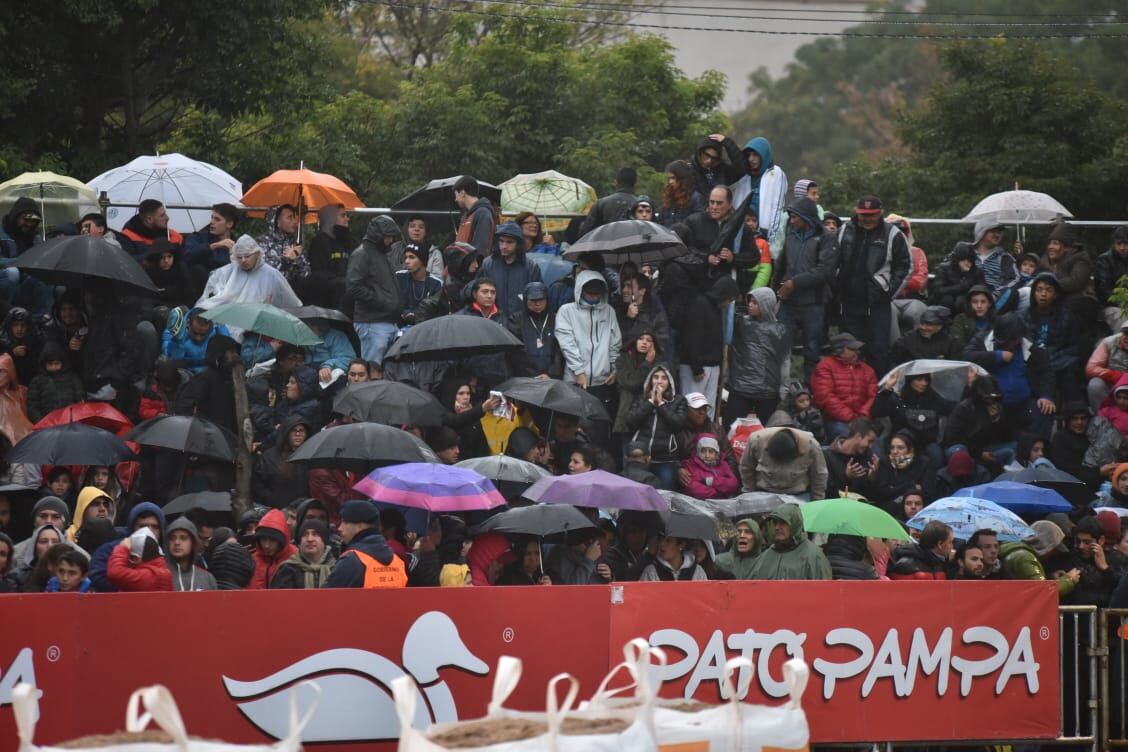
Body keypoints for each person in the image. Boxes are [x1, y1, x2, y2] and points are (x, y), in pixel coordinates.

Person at [835, 195, 911, 373]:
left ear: (880, 213)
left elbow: (906, 266)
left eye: (872, 215)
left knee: (878, 351)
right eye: (863, 215)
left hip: (877, 304)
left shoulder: (893, 234)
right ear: (856, 213)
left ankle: (878, 395)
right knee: (849, 351)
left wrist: (888, 292)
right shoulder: (845, 229)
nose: (867, 219)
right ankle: (850, 395)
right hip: (848, 302)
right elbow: (833, 259)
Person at [774, 195, 837, 381]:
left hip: (813, 304)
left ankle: (810, 395)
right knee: (780, 349)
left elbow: (824, 271)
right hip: (788, 303)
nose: (791, 220)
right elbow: (782, 263)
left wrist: (794, 283)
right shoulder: (791, 233)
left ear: (807, 217)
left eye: (795, 217)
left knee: (812, 352)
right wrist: (776, 287)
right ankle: (780, 394)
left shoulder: (827, 238)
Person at [195, 236, 302, 337]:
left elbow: (291, 301)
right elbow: (214, 281)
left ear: (256, 254)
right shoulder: (232, 269)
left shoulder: (271, 274)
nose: (243, 260)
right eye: (240, 257)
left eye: (247, 256)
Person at [555, 270, 621, 417]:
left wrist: (614, 369)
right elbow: (566, 343)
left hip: (603, 382)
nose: (594, 297)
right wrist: (578, 371)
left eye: (597, 294)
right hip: (575, 380)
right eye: (590, 293)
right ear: (580, 290)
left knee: (599, 426)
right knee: (575, 424)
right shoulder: (567, 311)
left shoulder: (609, 311)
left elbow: (615, 343)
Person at [725, 286, 790, 427]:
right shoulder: (741, 323)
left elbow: (785, 362)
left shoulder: (779, 331)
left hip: (767, 392)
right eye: (749, 301)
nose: (750, 305)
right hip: (741, 388)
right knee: (731, 429)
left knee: (767, 432)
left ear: (765, 305)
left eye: (755, 302)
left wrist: (784, 389)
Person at [872, 368, 956, 469]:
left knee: (937, 454)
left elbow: (953, 409)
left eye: (926, 380)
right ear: (910, 381)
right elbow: (879, 411)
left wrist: (970, 387)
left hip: (927, 442)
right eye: (919, 380)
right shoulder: (899, 398)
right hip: (903, 442)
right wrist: (887, 388)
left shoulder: (933, 397)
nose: (924, 383)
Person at [679, 276, 739, 414]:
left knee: (708, 410)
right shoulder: (698, 304)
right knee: (692, 408)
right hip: (697, 368)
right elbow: (691, 337)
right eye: (730, 299)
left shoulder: (715, 308)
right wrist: (696, 367)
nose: (729, 303)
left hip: (711, 366)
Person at [347, 217, 402, 363]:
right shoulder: (362, 254)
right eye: (387, 236)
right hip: (372, 323)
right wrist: (383, 301)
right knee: (372, 372)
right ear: (378, 235)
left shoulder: (381, 254)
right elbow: (353, 287)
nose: (390, 240)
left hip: (385, 321)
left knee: (380, 372)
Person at [739, 411, 827, 499]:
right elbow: (746, 467)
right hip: (764, 491)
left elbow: (819, 474)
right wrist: (749, 493)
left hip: (797, 492)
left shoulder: (811, 445)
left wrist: (817, 500)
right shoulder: (756, 441)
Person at [625, 365, 686, 489]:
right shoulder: (642, 398)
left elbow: (678, 424)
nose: (659, 381)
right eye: (656, 377)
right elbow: (630, 421)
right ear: (650, 380)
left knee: (664, 497)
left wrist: (661, 404)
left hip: (665, 459)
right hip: (640, 458)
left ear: (670, 382)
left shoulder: (679, 400)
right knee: (637, 494)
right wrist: (650, 402)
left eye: (664, 378)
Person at [811, 332, 877, 440]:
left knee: (875, 447)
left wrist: (862, 418)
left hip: (863, 421)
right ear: (839, 350)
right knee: (849, 439)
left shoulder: (867, 370)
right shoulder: (825, 366)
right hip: (836, 421)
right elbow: (825, 398)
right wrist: (851, 418)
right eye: (852, 349)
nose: (857, 352)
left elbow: (873, 396)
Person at [324, 500, 405, 588]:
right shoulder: (398, 561)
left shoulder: (351, 561)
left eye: (345, 522)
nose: (339, 528)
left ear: (360, 525)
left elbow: (324, 598)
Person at [731, 136, 789, 255]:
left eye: (755, 155)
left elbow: (777, 207)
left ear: (764, 155)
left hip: (765, 234)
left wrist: (770, 239)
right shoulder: (745, 176)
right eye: (748, 155)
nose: (751, 159)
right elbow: (736, 206)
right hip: (743, 233)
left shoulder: (776, 173)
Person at [173, 334, 240, 433]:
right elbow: (184, 406)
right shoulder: (206, 377)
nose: (234, 356)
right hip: (209, 435)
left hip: (227, 436)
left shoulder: (230, 378)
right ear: (220, 354)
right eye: (231, 352)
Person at [747, 503, 832, 580]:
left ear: (795, 524)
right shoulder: (765, 556)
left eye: (783, 523)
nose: (777, 527)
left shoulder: (814, 556)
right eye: (775, 523)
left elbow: (824, 592)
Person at [1039, 220, 1098, 328]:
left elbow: (1075, 282)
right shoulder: (1045, 261)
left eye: (1055, 243)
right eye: (1050, 243)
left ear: (1066, 247)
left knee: (1066, 307)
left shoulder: (1081, 258)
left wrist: (1051, 286)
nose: (1050, 247)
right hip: (1054, 297)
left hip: (1082, 299)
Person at [477, 222, 541, 319]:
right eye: (501, 241)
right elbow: (479, 294)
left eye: (509, 242)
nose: (504, 246)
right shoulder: (488, 264)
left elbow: (538, 296)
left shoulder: (530, 267)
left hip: (522, 322)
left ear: (518, 244)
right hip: (494, 321)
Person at [1000, 520, 1080, 596]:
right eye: (1054, 549)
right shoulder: (1025, 557)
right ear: (1046, 543)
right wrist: (1068, 580)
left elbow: (1029, 583)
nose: (1053, 554)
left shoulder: (1018, 551)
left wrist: (1049, 578)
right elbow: (1042, 592)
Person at [956, 220, 1019, 311]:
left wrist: (994, 295)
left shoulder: (1005, 257)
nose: (998, 235)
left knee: (1012, 292)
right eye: (993, 231)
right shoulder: (964, 252)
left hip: (993, 299)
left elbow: (1014, 279)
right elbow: (948, 269)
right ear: (981, 232)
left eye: (999, 232)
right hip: (968, 295)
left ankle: (989, 317)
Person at [507, 281, 559, 378]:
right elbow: (516, 352)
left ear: (547, 299)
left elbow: (560, 350)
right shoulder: (516, 319)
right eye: (533, 300)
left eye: (541, 299)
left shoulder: (556, 319)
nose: (538, 304)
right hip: (525, 377)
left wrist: (551, 374)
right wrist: (533, 375)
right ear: (526, 300)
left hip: (551, 378)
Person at [306, 203, 354, 306]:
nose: (347, 219)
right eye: (342, 215)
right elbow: (319, 275)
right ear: (330, 219)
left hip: (345, 295)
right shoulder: (319, 243)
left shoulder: (346, 241)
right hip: (327, 299)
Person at [874, 431, 936, 509]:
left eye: (900, 448)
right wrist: (910, 486)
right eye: (892, 447)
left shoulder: (924, 463)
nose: (895, 452)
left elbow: (927, 493)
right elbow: (883, 492)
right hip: (890, 507)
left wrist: (895, 489)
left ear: (910, 449)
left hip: (916, 507)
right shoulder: (885, 462)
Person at [26, 341, 85, 423]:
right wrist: (41, 421)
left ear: (62, 363)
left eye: (57, 363)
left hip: (70, 421)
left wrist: (78, 411)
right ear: (44, 364)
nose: (54, 367)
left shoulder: (72, 378)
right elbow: (32, 405)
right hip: (48, 423)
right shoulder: (37, 381)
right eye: (50, 364)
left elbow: (79, 395)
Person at [161, 307, 232, 374]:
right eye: (195, 333)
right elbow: (171, 361)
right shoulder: (174, 331)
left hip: (210, 376)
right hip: (184, 376)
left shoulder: (215, 330)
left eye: (203, 334)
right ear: (188, 323)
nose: (198, 338)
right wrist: (177, 341)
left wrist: (220, 326)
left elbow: (228, 352)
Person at [822, 417, 880, 500]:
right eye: (869, 441)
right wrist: (846, 477)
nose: (870, 446)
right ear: (858, 436)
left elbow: (870, 497)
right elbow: (827, 491)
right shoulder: (827, 457)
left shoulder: (868, 458)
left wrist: (872, 478)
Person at [270, 518, 336, 589]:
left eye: (315, 534)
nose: (309, 539)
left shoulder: (336, 569)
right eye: (305, 535)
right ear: (300, 542)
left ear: (324, 541)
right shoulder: (288, 569)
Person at [616, 273, 671, 355]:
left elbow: (662, 345)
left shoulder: (655, 314)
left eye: (629, 286)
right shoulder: (619, 311)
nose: (624, 290)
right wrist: (628, 319)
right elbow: (618, 342)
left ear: (642, 291)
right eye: (624, 286)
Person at [257, 204, 310, 287]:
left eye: (294, 217)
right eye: (289, 217)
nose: (294, 221)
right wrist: (287, 259)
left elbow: (306, 274)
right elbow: (267, 273)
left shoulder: (292, 243)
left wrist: (297, 257)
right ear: (277, 221)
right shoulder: (261, 242)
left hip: (292, 292)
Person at [889, 306, 963, 363]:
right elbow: (894, 362)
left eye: (928, 324)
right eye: (922, 323)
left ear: (940, 326)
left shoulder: (951, 343)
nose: (923, 327)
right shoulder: (907, 339)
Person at [106, 528, 172, 592]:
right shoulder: (158, 571)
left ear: (136, 559)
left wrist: (122, 548)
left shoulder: (156, 576)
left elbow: (115, 573)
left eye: (129, 556)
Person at [247, 508, 299, 589]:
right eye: (263, 539)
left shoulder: (295, 558)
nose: (266, 545)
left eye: (273, 540)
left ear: (281, 541)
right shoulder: (251, 560)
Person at [115, 199, 183, 260]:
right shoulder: (126, 237)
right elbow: (128, 263)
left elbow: (183, 263)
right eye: (162, 215)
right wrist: (154, 255)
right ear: (149, 219)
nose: (167, 218)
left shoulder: (175, 236)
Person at [395, 244, 443, 328]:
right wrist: (405, 313)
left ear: (422, 260)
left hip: (425, 328)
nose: (407, 261)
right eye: (406, 257)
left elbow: (437, 311)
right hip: (398, 326)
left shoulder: (436, 283)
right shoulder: (399, 276)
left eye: (411, 257)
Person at [580, 167, 637, 235]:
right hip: (633, 244)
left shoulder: (601, 203)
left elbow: (586, 231)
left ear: (615, 182)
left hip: (605, 244)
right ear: (636, 183)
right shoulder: (642, 206)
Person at [165, 518, 218, 591]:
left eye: (183, 538)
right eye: (172, 538)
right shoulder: (161, 576)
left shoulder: (207, 578)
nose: (176, 542)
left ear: (193, 542)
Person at [929, 244, 986, 313]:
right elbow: (938, 290)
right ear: (957, 259)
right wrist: (961, 287)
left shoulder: (977, 272)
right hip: (944, 305)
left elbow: (982, 291)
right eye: (964, 259)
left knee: (962, 300)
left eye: (970, 260)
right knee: (947, 299)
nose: (967, 263)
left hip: (967, 306)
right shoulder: (943, 269)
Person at [679, 434, 739, 499]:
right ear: (698, 451)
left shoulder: (723, 464)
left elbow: (733, 484)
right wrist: (720, 493)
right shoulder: (689, 464)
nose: (707, 455)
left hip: (721, 503)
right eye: (703, 451)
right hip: (699, 503)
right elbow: (692, 488)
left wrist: (712, 482)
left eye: (711, 452)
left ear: (716, 452)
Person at [184, 203, 240, 272]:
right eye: (212, 218)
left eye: (217, 219)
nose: (211, 222)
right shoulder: (198, 237)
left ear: (229, 224)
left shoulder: (238, 244)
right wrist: (213, 246)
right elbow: (188, 255)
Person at [1087, 321, 1128, 413]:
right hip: (1112, 383)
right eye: (1125, 333)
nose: (1127, 337)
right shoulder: (1108, 342)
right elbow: (1091, 368)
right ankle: (1102, 419)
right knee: (1095, 384)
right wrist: (1117, 376)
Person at [543, 529, 610, 584]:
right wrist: (589, 560)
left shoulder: (588, 558)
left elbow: (596, 586)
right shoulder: (560, 556)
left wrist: (608, 578)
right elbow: (574, 588)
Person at [453, 176, 497, 258]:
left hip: (474, 268)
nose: (455, 199)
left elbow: (481, 248)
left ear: (462, 193)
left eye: (456, 195)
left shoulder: (483, 213)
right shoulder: (466, 215)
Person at [690, 134, 744, 200]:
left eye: (713, 158)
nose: (709, 160)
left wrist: (728, 143)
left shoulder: (721, 170)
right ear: (700, 152)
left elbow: (741, 169)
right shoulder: (689, 171)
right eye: (707, 155)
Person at [1095, 226, 1128, 332]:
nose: (1122, 247)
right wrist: (1123, 302)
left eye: (1126, 243)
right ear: (1114, 244)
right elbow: (1103, 290)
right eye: (1119, 244)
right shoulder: (1104, 260)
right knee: (1123, 320)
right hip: (1111, 306)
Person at [656, 161, 704, 228]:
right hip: (668, 237)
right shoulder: (668, 196)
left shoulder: (695, 197)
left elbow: (698, 223)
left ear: (682, 178)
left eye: (673, 178)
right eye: (669, 178)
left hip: (686, 237)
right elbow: (660, 222)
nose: (670, 182)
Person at [638, 535, 706, 581]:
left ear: (682, 544)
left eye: (668, 540)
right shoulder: (651, 571)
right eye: (661, 539)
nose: (662, 544)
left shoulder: (698, 571)